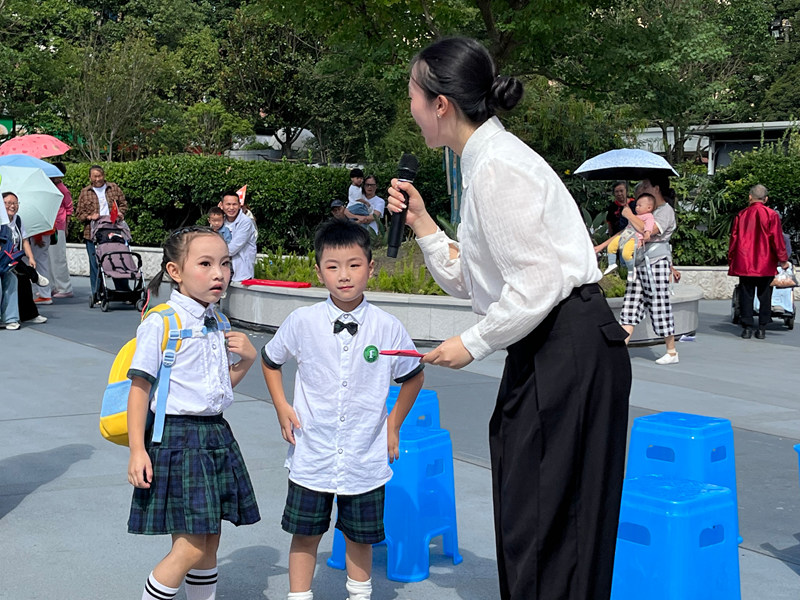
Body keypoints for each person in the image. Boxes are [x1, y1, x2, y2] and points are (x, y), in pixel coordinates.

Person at [386, 37, 630, 600]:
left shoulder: (496, 167)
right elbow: (477, 280)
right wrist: (424, 224)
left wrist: (470, 343)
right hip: (556, 346)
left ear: (440, 104)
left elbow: (537, 284)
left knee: (545, 518)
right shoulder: (484, 163)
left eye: (413, 97)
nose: (412, 110)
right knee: (546, 515)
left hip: (563, 346)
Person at [261, 219, 425, 600]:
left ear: (371, 267)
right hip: (312, 452)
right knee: (305, 534)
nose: (344, 276)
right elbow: (271, 361)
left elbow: (413, 375)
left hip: (364, 457)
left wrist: (393, 425)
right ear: (318, 272)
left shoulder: (387, 327)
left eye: (354, 265)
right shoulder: (302, 321)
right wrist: (282, 406)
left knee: (360, 536)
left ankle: (359, 595)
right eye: (333, 267)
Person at [127, 226, 260, 600]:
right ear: (175, 271)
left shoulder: (217, 321)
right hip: (179, 440)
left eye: (225, 263)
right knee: (191, 546)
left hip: (215, 435)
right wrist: (137, 450)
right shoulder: (162, 321)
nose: (219, 273)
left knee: (210, 539)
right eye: (205, 263)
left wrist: (246, 361)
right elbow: (139, 389)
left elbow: (214, 391)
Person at [618, 175, 679, 364]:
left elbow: (648, 231)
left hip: (656, 262)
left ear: (657, 189)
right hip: (640, 262)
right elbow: (628, 231)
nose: (642, 188)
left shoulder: (666, 211)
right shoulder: (644, 211)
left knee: (658, 303)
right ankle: (619, 350)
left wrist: (629, 215)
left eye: (646, 185)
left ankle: (671, 351)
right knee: (630, 304)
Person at [728, 184, 790, 339]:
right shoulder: (771, 215)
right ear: (766, 199)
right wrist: (783, 260)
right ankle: (762, 328)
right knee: (765, 295)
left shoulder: (741, 215)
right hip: (765, 262)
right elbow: (777, 239)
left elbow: (734, 239)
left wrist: (732, 259)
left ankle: (747, 327)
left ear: (750, 197)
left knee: (746, 294)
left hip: (745, 261)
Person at [75, 165, 130, 302]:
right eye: (95, 176)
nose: (98, 179)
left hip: (114, 229)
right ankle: (97, 293)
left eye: (100, 176)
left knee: (119, 259)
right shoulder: (85, 192)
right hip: (93, 233)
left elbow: (124, 204)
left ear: (104, 175)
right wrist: (89, 217)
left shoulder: (113, 188)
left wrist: (121, 213)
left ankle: (123, 292)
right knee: (95, 264)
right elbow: (79, 214)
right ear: (90, 178)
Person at [1, 192, 48, 329]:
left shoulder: (18, 220)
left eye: (15, 203)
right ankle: (34, 275)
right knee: (16, 278)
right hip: (3, 258)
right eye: (8, 203)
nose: (12, 206)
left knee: (23, 282)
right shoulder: (0, 221)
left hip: (14, 257)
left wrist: (31, 257)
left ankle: (28, 315)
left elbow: (25, 240)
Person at [600, 193, 657, 278]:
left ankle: (631, 269)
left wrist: (647, 233)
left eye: (640, 205)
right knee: (612, 246)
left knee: (626, 254)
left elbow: (648, 225)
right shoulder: (636, 216)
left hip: (634, 239)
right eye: (636, 205)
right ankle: (611, 263)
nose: (637, 207)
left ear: (649, 208)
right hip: (625, 235)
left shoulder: (649, 216)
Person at [48, 162, 74, 299]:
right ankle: (53, 286)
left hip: (58, 226)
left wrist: (66, 226)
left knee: (58, 258)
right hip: (48, 225)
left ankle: (64, 287)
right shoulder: (48, 186)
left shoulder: (62, 189)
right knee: (48, 258)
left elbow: (69, 209)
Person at [219, 192, 257, 282]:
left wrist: (212, 252)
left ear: (240, 205)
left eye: (234, 204)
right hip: (221, 270)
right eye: (228, 204)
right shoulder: (219, 222)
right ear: (221, 205)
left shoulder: (246, 222)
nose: (231, 208)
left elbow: (232, 249)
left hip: (240, 273)